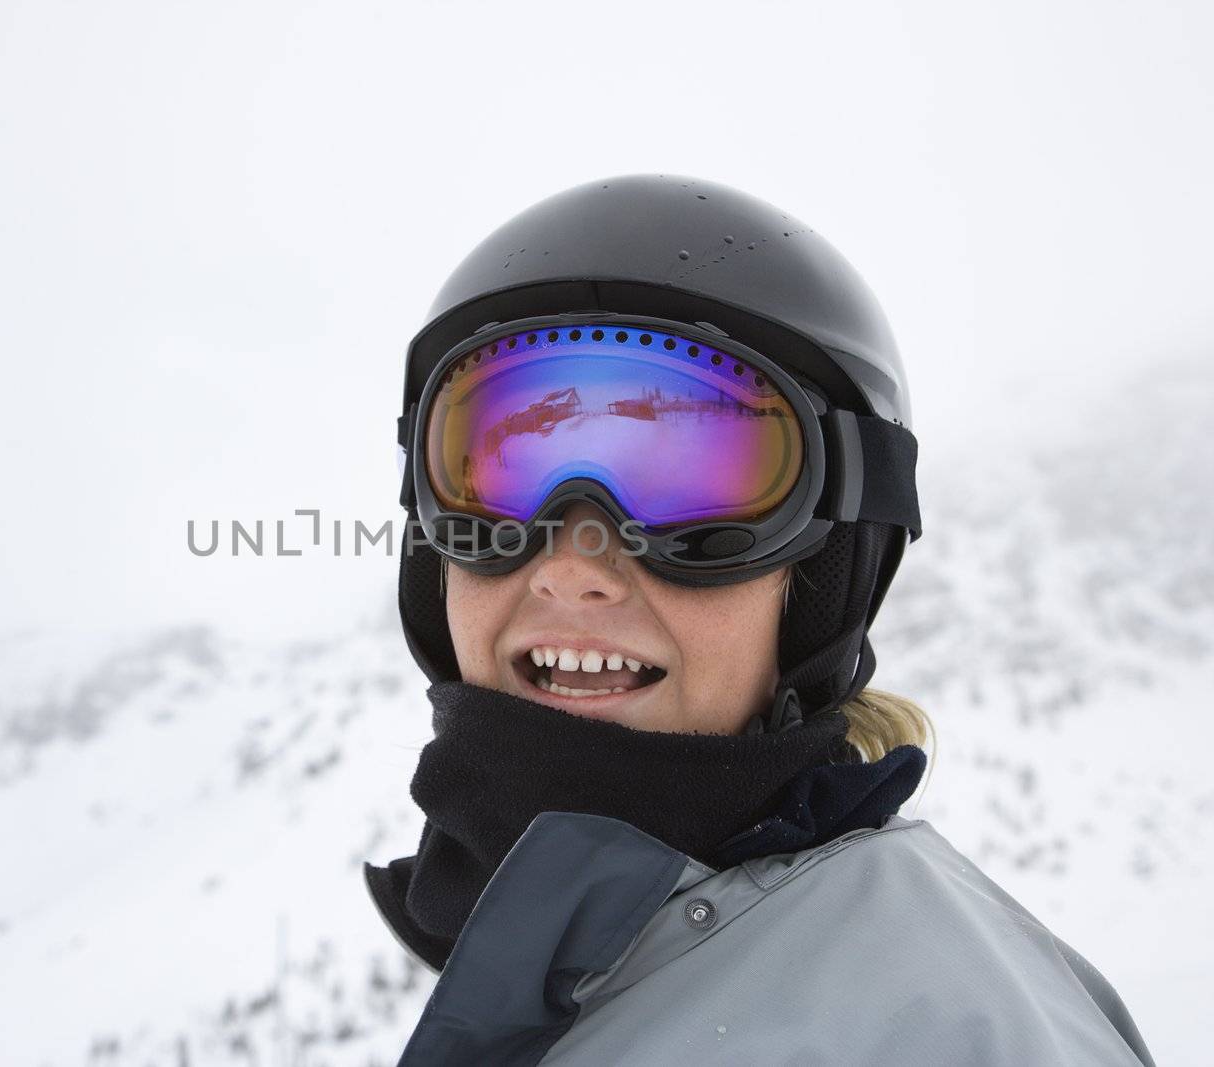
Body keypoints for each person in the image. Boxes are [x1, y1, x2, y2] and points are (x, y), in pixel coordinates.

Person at [362, 175, 1157, 1065]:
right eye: (505, 469)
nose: (574, 565)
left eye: (689, 487)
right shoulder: (551, 974)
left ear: (825, 569)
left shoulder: (948, 1032)